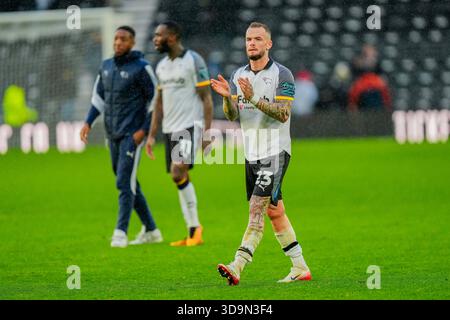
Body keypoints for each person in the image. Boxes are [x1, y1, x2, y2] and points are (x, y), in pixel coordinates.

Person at [210, 22, 311, 285]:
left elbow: (283, 113)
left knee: (257, 208)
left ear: (269, 44)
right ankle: (300, 266)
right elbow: (233, 116)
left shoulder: (282, 75)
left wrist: (253, 98)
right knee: (274, 211)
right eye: (248, 39)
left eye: (257, 39)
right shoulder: (238, 75)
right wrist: (227, 99)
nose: (251, 43)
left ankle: (237, 265)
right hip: (251, 154)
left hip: (275, 151)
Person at [80, 26, 162, 248]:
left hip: (132, 135)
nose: (118, 42)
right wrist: (88, 121)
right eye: (116, 38)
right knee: (129, 181)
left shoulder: (142, 68)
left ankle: (120, 232)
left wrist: (144, 131)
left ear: (132, 43)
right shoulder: (106, 67)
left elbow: (157, 102)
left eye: (123, 39)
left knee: (124, 182)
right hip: (112, 134)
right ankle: (152, 230)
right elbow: (98, 99)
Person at [145, 21, 213, 246]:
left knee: (177, 172)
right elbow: (159, 102)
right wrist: (152, 135)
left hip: (189, 126)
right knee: (180, 177)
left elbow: (207, 99)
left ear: (172, 38)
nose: (155, 39)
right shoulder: (161, 66)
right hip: (170, 129)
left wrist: (206, 132)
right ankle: (193, 231)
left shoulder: (193, 61)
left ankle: (196, 229)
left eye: (159, 36)